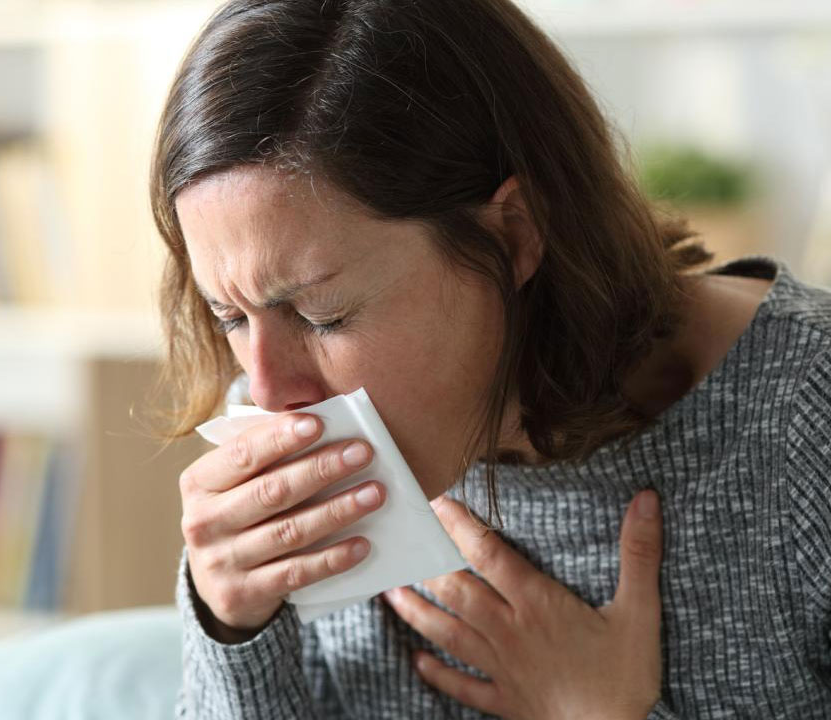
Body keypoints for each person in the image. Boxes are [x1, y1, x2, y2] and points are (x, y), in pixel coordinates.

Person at [148, 0, 831, 717]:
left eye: (325, 315)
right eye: (230, 315)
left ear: (513, 234)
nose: (269, 393)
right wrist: (231, 626)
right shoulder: (275, 440)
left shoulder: (805, 417)